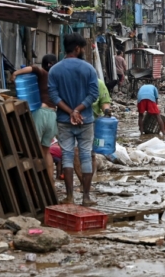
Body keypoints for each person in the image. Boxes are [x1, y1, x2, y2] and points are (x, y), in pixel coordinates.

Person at [48, 33, 99, 206]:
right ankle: (85, 197)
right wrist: (78, 110)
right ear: (77, 49)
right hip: (86, 120)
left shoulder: (55, 70)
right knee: (85, 156)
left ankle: (69, 196)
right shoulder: (89, 69)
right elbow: (94, 94)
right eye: (82, 48)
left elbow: (53, 96)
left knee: (67, 157)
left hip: (63, 120)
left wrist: (70, 111)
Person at [11, 54, 57, 182]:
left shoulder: (43, 73)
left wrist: (15, 73)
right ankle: (50, 181)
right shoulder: (57, 78)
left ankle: (33, 181)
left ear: (47, 65)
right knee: (46, 151)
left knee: (32, 148)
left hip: (41, 113)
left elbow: (32, 69)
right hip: (53, 115)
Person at [73, 78, 112, 182]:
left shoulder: (98, 83)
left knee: (91, 154)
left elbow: (104, 102)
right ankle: (82, 182)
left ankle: (88, 183)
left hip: (93, 123)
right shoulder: (72, 81)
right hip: (73, 121)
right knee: (76, 152)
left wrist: (107, 111)